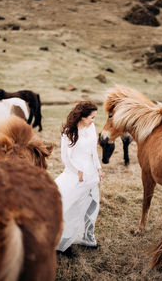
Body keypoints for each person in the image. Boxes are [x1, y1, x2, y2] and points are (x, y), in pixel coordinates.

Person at [55, 101, 103, 254]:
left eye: (94, 117)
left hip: (91, 173)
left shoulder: (91, 128)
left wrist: (99, 168)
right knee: (72, 209)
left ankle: (88, 238)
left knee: (92, 205)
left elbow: (93, 151)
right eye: (91, 117)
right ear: (82, 117)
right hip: (76, 175)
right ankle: (63, 243)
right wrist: (77, 171)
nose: (93, 121)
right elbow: (65, 158)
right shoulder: (69, 132)